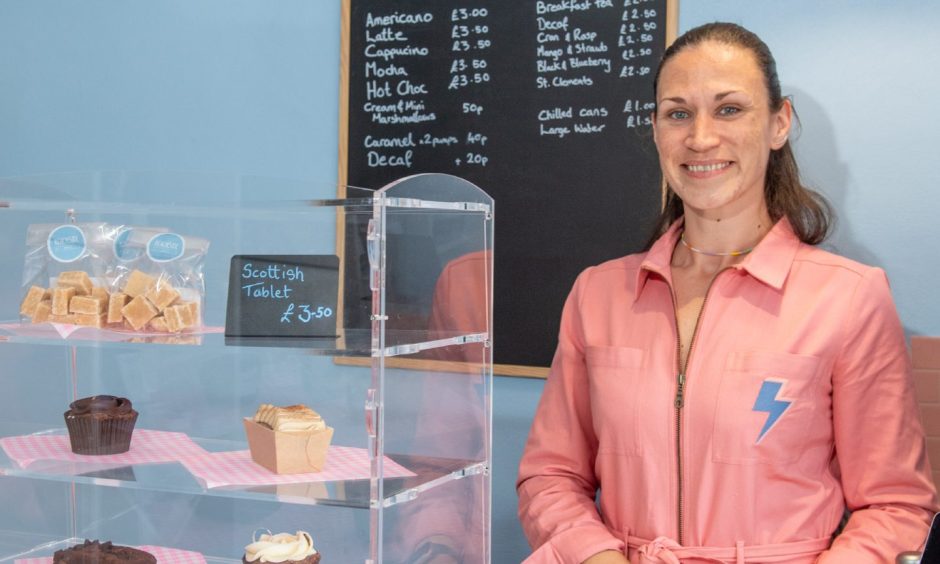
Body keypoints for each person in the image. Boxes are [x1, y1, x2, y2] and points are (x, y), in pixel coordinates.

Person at [517, 22, 938, 564]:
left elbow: (894, 505)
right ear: (656, 130)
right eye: (678, 113)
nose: (700, 138)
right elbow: (549, 475)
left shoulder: (850, 298)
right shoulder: (597, 294)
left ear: (779, 124)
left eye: (729, 109)